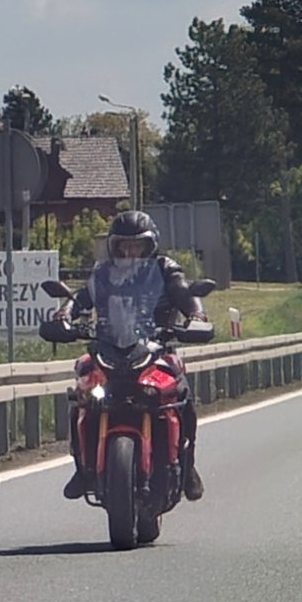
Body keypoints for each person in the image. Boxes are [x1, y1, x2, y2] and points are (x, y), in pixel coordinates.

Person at [59, 209, 206, 502]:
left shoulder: (165, 268)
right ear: (114, 246)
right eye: (124, 245)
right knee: (82, 394)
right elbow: (82, 297)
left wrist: (196, 315)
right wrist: (65, 313)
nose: (130, 251)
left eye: (136, 245)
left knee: (182, 392)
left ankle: (188, 466)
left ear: (149, 246)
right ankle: (82, 467)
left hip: (155, 349)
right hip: (109, 349)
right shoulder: (102, 273)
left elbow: (184, 293)